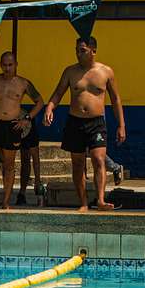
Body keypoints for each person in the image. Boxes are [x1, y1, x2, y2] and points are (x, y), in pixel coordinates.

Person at [43, 36, 126, 211]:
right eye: (76, 50)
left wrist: (121, 125)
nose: (78, 54)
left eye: (82, 50)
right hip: (75, 122)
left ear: (93, 51)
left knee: (98, 159)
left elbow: (116, 99)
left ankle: (101, 200)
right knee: (78, 163)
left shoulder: (106, 72)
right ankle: (83, 202)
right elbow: (58, 93)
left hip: (97, 122)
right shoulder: (70, 72)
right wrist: (50, 108)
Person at [0, 51, 44, 209]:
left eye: (10, 65)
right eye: (4, 65)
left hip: (13, 126)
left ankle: (6, 201)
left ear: (16, 65)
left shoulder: (24, 83)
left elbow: (39, 101)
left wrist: (27, 119)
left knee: (9, 165)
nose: (7, 68)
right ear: (0, 64)